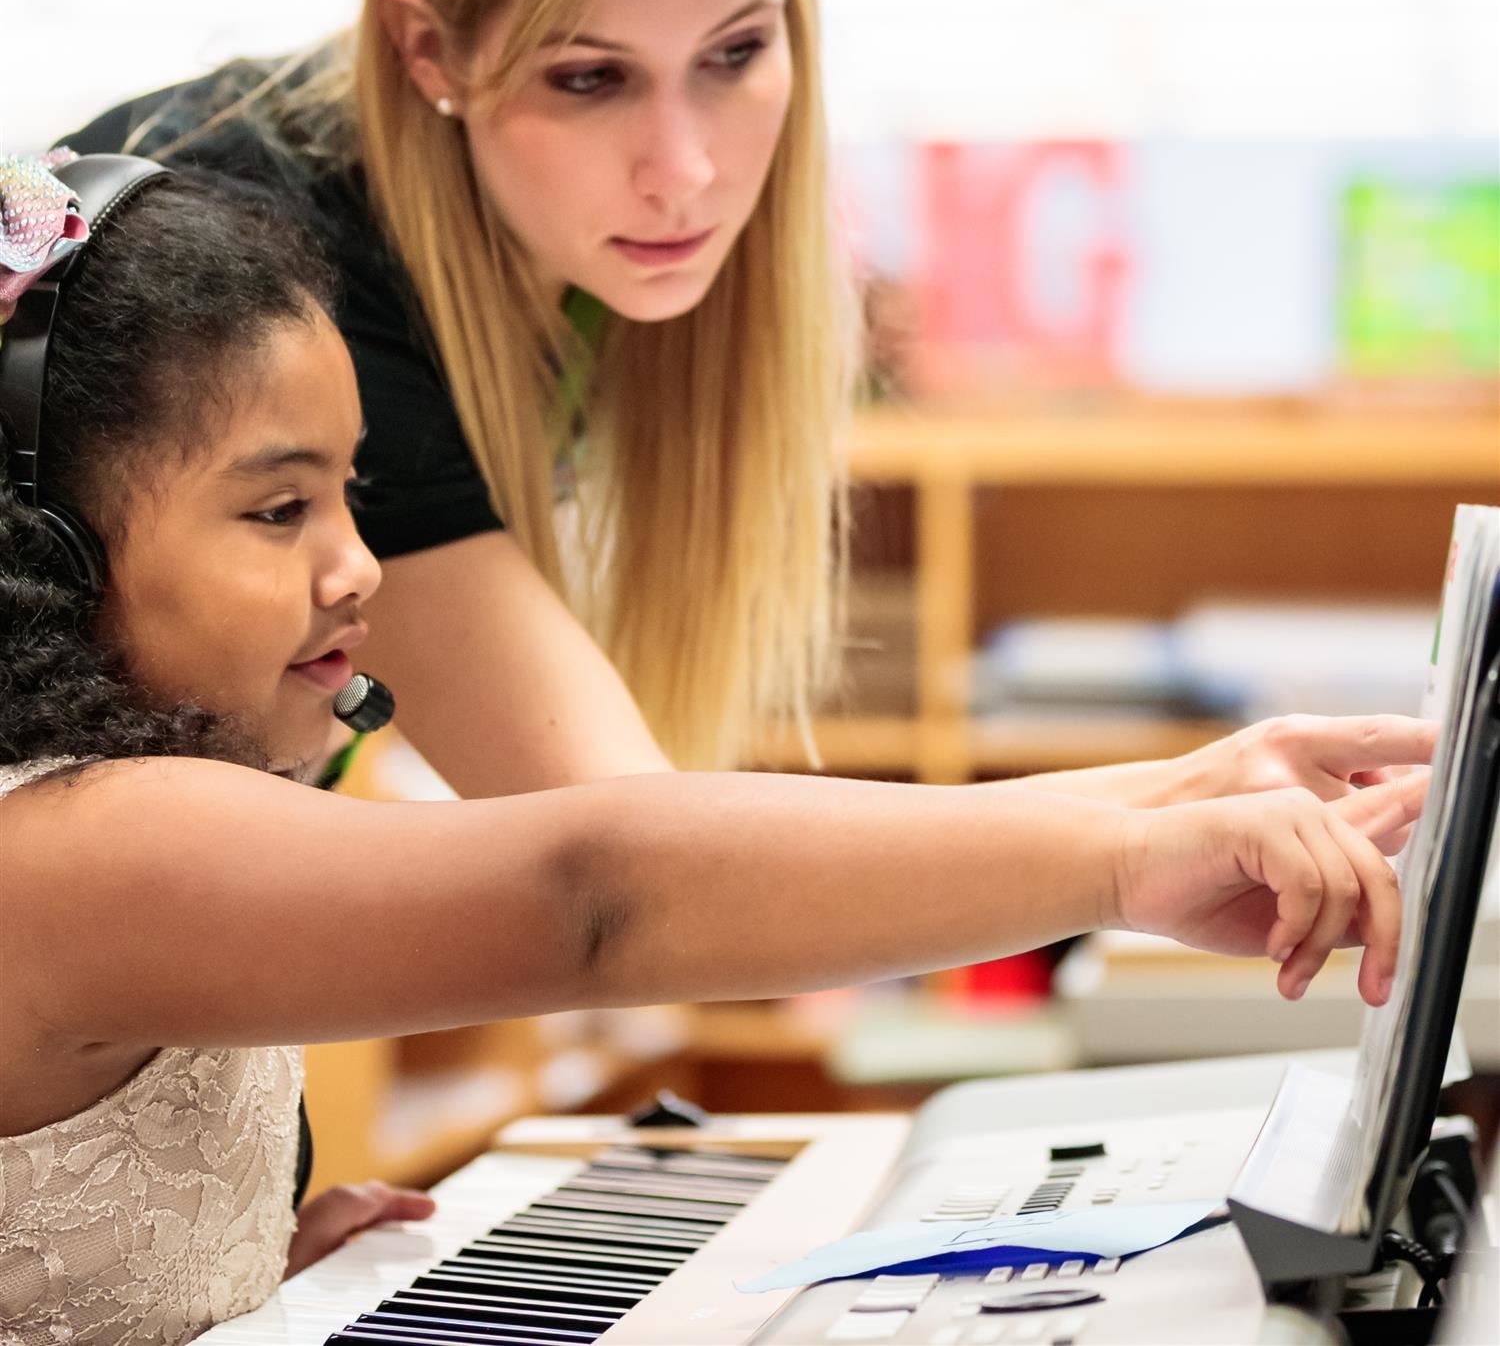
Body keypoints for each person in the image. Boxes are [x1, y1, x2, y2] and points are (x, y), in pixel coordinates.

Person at [0, 154, 1425, 1345]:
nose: (360, 566)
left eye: (349, 495)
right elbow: (599, 890)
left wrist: (1179, 786)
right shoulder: (76, 848)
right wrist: (1127, 856)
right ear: (44, 559)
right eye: (277, 512)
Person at [60, 0, 1437, 806]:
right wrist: (1161, 820)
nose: (689, 169)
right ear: (431, 55)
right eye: (590, 77)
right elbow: (618, 846)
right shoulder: (291, 264)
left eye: (734, 56)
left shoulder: (558, 255)